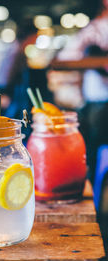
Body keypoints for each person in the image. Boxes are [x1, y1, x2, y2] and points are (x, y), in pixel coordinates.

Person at [56, 0, 108, 185]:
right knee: (93, 152)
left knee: (93, 153)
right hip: (99, 101)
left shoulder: (94, 30)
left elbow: (65, 57)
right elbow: (65, 58)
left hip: (98, 103)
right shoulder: (94, 30)